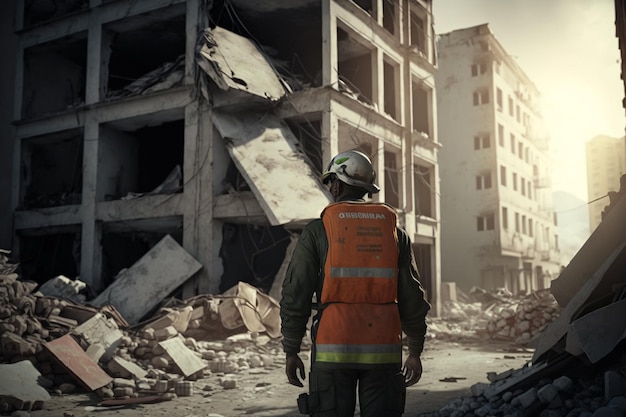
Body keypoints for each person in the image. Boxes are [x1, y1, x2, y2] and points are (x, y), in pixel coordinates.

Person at [280, 150, 431, 417]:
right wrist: (415, 349)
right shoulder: (396, 233)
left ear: (337, 184)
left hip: (332, 351)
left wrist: (292, 350)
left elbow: (296, 293)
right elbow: (412, 297)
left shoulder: (318, 231)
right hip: (384, 351)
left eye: (331, 184)